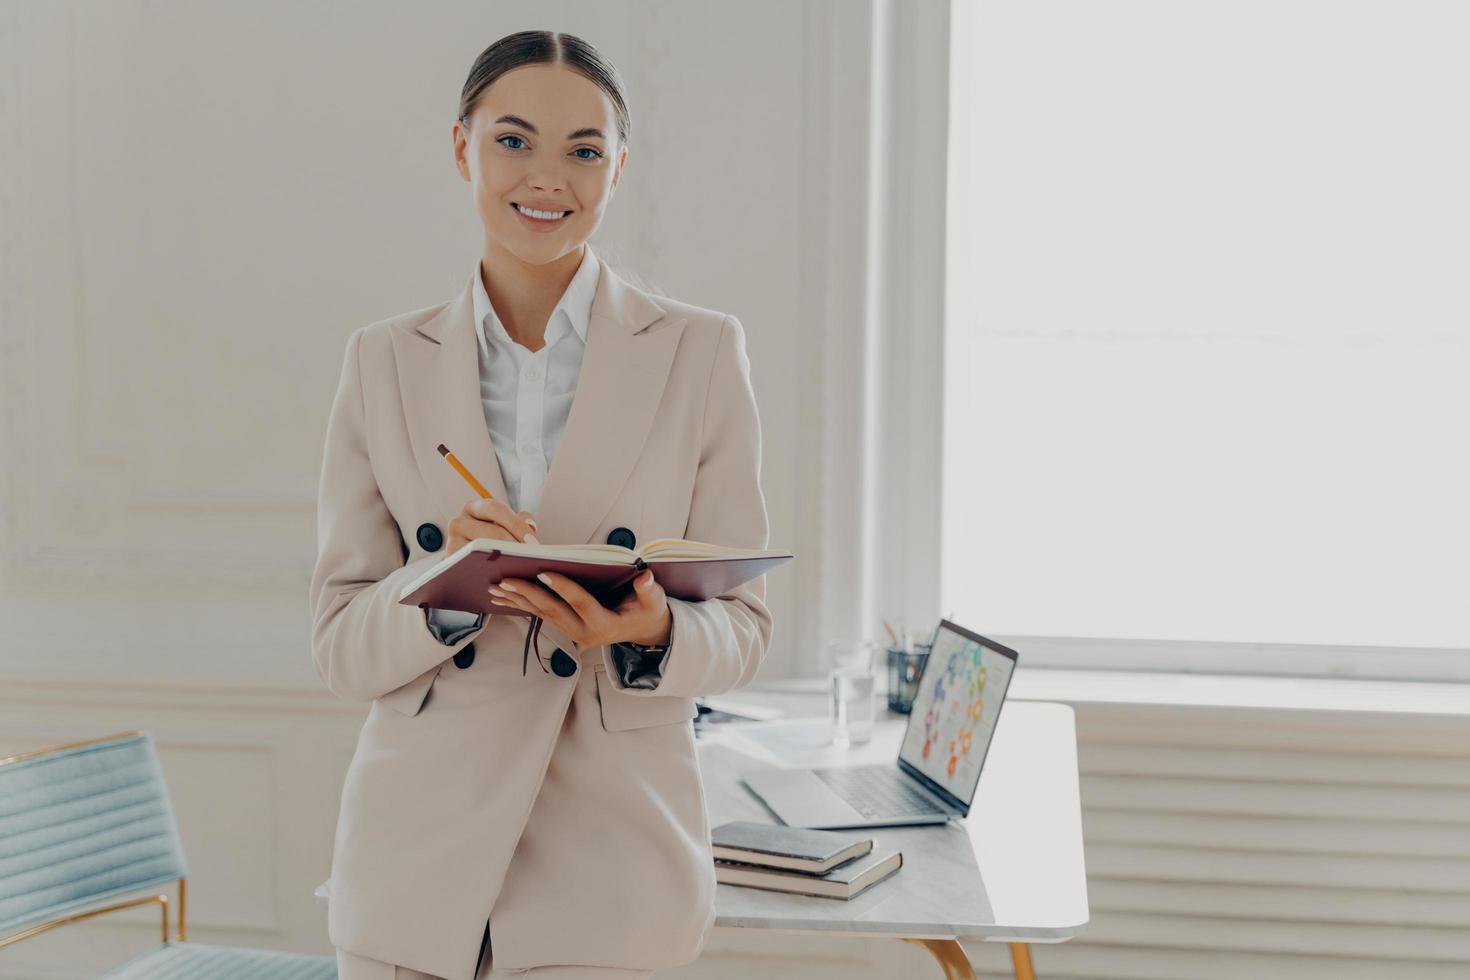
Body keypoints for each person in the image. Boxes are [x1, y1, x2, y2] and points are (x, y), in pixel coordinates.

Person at [309, 29, 773, 980]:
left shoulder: (699, 351)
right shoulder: (383, 361)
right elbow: (338, 647)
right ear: (461, 148)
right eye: (514, 140)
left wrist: (653, 631)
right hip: (415, 868)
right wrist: (442, 584)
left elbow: (747, 626)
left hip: (612, 861)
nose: (548, 177)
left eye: (585, 150)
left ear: (619, 167)